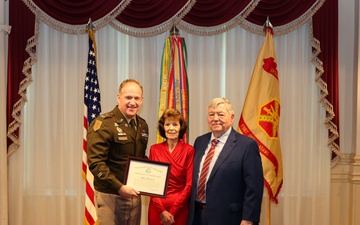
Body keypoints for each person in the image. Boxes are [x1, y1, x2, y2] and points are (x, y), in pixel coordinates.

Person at [187, 98, 264, 225]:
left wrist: (248, 219)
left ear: (232, 118)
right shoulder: (199, 141)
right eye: (211, 114)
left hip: (229, 218)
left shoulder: (247, 145)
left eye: (221, 114)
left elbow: (254, 187)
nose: (215, 118)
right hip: (197, 216)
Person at [87, 79, 149, 225]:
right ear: (118, 98)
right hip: (111, 195)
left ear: (142, 100)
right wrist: (119, 187)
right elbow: (96, 163)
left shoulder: (142, 125)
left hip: (134, 196)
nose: (132, 102)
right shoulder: (104, 124)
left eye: (137, 98)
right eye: (128, 97)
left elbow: (139, 158)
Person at [148, 108, 194, 225]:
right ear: (163, 127)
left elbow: (189, 185)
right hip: (157, 208)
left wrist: (173, 211)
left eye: (175, 124)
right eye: (167, 124)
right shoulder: (154, 149)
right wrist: (162, 210)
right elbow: (150, 183)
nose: (171, 128)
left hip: (180, 208)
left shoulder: (189, 150)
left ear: (181, 127)